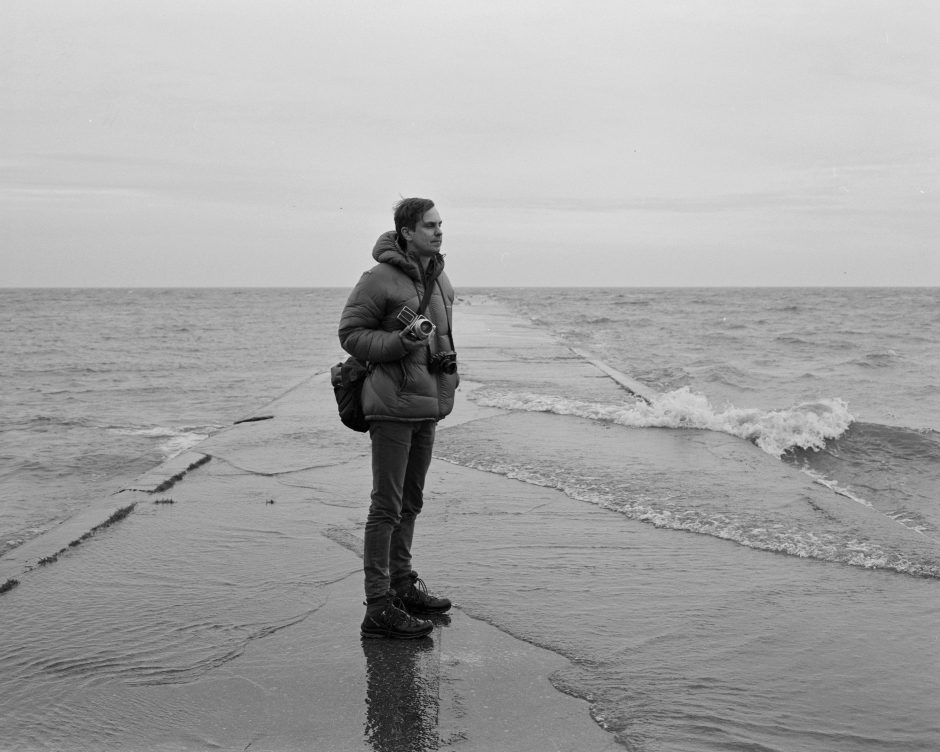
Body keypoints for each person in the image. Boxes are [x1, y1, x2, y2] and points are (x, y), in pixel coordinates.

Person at [338, 197, 458, 639]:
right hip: (392, 405)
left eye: (441, 224)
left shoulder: (439, 276)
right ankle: (378, 604)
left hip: (428, 402)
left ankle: (403, 583)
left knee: (411, 501)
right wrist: (398, 343)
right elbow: (350, 334)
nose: (439, 232)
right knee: (386, 506)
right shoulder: (378, 278)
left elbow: (442, 336)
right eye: (429, 226)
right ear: (407, 231)